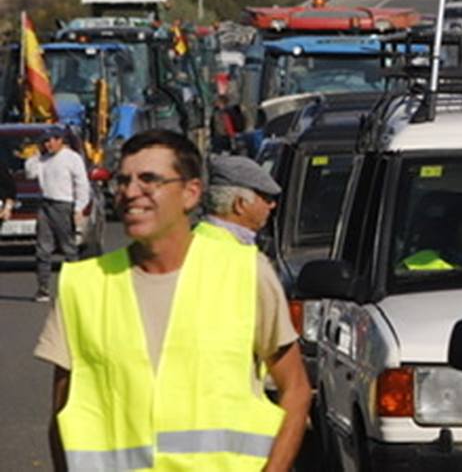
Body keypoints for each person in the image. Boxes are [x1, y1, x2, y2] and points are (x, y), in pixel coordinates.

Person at [33, 129, 310, 470]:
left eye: (149, 180)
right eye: (123, 181)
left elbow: (295, 389)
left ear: (191, 193)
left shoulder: (244, 272)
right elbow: (62, 416)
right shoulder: (83, 286)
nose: (131, 192)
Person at [25, 130, 90, 302]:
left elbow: (82, 183)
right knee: (43, 248)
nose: (48, 145)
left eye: (51, 141)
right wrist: (34, 156)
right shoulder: (43, 160)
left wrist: (79, 208)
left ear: (60, 140)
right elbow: (30, 173)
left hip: (63, 205)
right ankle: (43, 288)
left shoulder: (71, 158)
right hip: (46, 203)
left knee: (68, 248)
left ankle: (77, 288)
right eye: (44, 142)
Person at [198, 154, 282, 246]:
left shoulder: (189, 240)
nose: (272, 204)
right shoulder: (236, 251)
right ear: (240, 204)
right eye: (267, 198)